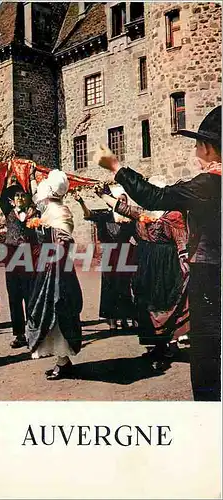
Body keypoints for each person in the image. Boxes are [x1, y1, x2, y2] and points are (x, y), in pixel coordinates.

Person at [96, 106, 221, 401]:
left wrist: (116, 166)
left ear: (208, 147)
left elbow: (154, 197)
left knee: (207, 356)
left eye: (197, 144)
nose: (194, 150)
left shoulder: (210, 183)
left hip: (210, 274)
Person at [99, 176, 190, 368]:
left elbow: (181, 241)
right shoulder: (143, 212)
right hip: (145, 261)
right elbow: (123, 209)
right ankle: (156, 346)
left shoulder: (173, 214)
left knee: (162, 302)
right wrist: (103, 195)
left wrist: (185, 263)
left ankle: (165, 347)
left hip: (165, 264)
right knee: (145, 302)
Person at [26, 170, 83, 380]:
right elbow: (36, 198)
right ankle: (62, 360)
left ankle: (62, 361)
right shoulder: (53, 208)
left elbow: (64, 242)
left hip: (57, 268)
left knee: (57, 310)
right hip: (52, 266)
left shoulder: (58, 212)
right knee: (49, 310)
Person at [73, 187, 137, 330]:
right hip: (109, 255)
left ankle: (126, 319)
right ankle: (112, 320)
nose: (121, 202)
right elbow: (89, 214)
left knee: (125, 287)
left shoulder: (130, 218)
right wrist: (81, 202)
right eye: (119, 199)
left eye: (123, 200)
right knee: (110, 288)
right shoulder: (105, 216)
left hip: (125, 255)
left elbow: (138, 235)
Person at [0, 182, 39, 348]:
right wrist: (7, 174)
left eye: (23, 195)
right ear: (12, 200)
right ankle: (19, 334)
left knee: (30, 295)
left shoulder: (34, 213)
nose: (20, 198)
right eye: (17, 196)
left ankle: (32, 332)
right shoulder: (8, 212)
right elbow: (1, 196)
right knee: (14, 297)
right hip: (11, 257)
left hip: (28, 258)